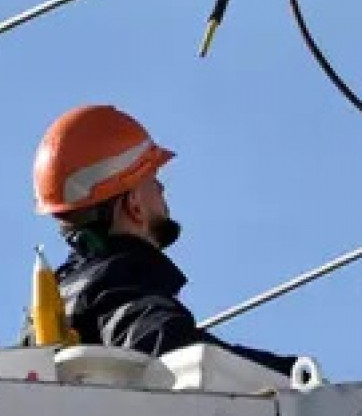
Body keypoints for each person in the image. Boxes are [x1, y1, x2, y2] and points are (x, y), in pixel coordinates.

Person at [31, 103, 302, 377]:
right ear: (134, 204)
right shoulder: (118, 285)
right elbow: (173, 351)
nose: (162, 189)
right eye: (151, 178)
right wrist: (294, 377)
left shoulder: (55, 304)